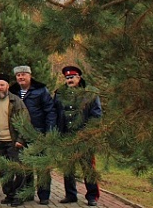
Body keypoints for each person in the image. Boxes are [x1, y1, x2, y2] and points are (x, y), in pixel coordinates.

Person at [54, 66, 102, 206]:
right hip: (66, 136)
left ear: (79, 78)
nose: (69, 80)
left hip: (84, 137)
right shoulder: (59, 93)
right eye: (67, 78)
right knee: (68, 167)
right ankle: (70, 195)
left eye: (72, 77)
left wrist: (89, 133)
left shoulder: (89, 93)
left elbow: (96, 115)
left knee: (87, 167)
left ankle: (92, 196)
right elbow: (55, 112)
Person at [9, 65, 57, 204]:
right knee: (25, 166)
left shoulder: (41, 90)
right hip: (21, 134)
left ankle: (44, 195)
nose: (21, 77)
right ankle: (27, 193)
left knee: (42, 166)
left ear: (30, 75)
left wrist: (49, 132)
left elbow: (50, 111)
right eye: (18, 75)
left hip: (39, 133)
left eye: (23, 74)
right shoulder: (13, 91)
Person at [0, 74, 31, 207]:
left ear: (7, 86)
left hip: (13, 141)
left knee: (18, 169)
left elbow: (25, 121)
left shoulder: (16, 101)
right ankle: (9, 194)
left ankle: (18, 195)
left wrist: (21, 139)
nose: (0, 87)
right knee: (3, 170)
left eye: (2, 85)